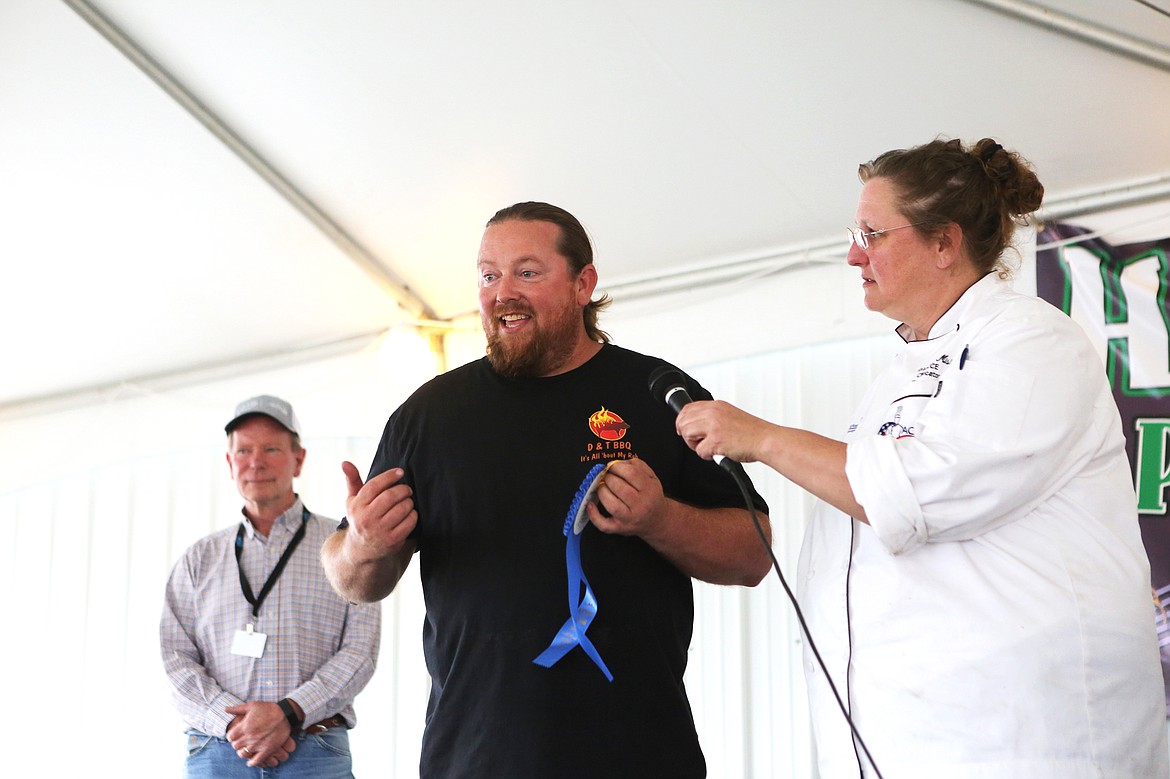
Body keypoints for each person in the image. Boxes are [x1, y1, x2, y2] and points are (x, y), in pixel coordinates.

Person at [674, 138, 1169, 778]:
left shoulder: (1033, 341)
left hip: (1025, 743)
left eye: (873, 234)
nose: (854, 255)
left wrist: (763, 437)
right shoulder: (898, 375)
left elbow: (919, 491)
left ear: (944, 243)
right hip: (918, 744)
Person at [321, 201, 771, 778]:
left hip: (637, 754)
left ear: (584, 283)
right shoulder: (430, 416)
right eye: (489, 275)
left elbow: (755, 554)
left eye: (527, 273)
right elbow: (350, 580)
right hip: (474, 755)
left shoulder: (655, 392)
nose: (502, 292)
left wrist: (661, 519)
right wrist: (363, 542)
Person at [161, 394, 381, 778]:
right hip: (219, 751)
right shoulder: (199, 559)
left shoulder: (346, 544)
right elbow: (175, 657)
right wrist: (235, 725)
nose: (256, 461)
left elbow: (360, 650)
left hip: (314, 751)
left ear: (298, 459)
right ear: (230, 463)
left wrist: (288, 712)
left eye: (271, 448)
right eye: (243, 450)